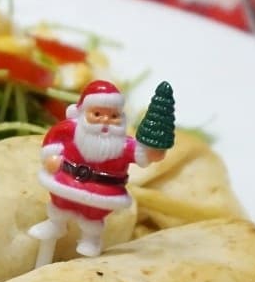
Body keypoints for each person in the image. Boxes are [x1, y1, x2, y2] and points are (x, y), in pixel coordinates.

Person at [28, 79, 168, 265]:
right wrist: (51, 157)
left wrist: (153, 153)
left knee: (93, 216)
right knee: (60, 204)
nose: (105, 121)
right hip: (67, 180)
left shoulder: (123, 145)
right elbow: (52, 141)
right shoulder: (70, 130)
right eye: (97, 114)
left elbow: (141, 155)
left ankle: (90, 239)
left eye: (113, 116)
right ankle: (55, 225)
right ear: (83, 113)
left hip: (104, 190)